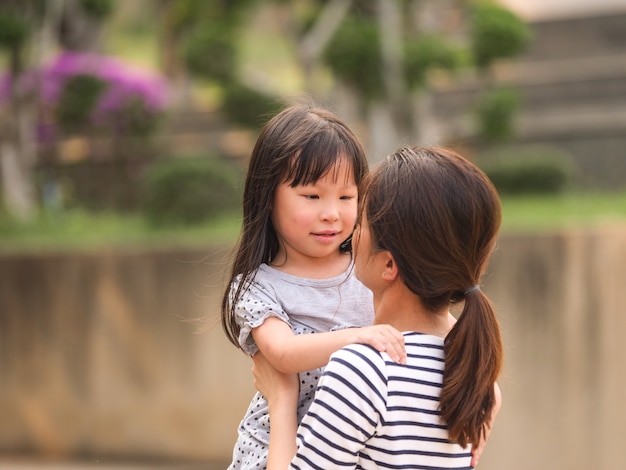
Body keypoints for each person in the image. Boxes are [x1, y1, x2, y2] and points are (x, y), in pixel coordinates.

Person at [253, 145, 504, 469]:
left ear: (388, 265)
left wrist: (281, 400)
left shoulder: (365, 371)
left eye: (362, 224)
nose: (351, 233)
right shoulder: (470, 372)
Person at [221, 103, 407, 470]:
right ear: (267, 196)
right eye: (312, 196)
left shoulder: (371, 267)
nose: (331, 213)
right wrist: (358, 336)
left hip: (359, 445)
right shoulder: (259, 287)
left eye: (346, 197)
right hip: (279, 447)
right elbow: (284, 354)